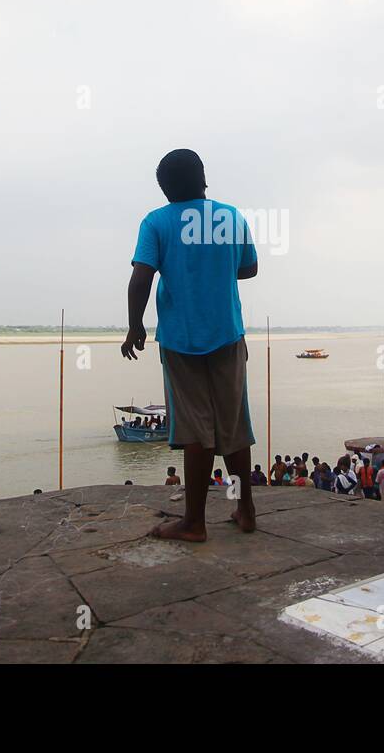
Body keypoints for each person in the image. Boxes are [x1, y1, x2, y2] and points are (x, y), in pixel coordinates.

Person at [124, 149, 258, 542]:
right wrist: (216, 265)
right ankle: (246, 509)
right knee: (234, 424)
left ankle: (194, 522)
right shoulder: (231, 217)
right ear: (203, 179)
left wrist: (135, 327)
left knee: (196, 431)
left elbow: (141, 279)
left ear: (165, 190)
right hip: (228, 335)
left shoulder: (156, 222)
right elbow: (249, 267)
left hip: (182, 342)